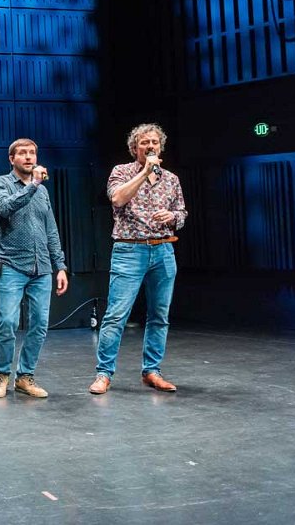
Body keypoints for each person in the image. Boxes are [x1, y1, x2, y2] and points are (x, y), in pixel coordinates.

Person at [89, 124, 187, 395]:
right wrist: (145, 172)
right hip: (129, 251)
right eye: (144, 142)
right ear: (135, 148)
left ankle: (152, 371)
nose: (150, 146)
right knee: (116, 315)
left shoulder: (171, 179)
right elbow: (117, 199)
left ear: (161, 146)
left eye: (154, 142)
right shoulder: (121, 172)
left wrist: (173, 216)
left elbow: (181, 212)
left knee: (159, 315)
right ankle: (103, 373)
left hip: (163, 250)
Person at [0, 139, 69, 398]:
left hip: (41, 267)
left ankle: (25, 376)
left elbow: (51, 230)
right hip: (11, 263)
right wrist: (33, 185)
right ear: (11, 159)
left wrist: (60, 266)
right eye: (22, 153)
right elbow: (4, 208)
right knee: (8, 321)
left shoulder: (42, 192)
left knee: (40, 324)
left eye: (32, 153)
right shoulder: (0, 183)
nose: (28, 157)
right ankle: (1, 375)